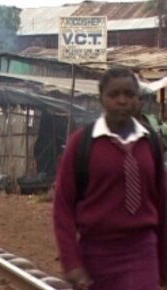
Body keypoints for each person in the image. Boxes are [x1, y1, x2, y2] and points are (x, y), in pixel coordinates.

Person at [53, 67, 167, 290]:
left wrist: (163, 261)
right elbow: (63, 207)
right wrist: (71, 262)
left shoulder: (151, 142)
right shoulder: (82, 143)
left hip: (142, 249)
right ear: (101, 99)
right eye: (114, 95)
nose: (122, 101)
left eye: (129, 95)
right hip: (96, 253)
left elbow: (162, 204)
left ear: (139, 100)